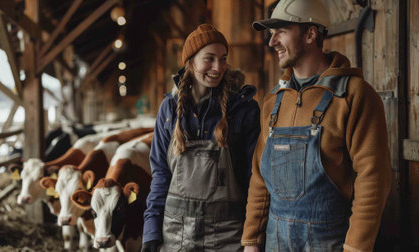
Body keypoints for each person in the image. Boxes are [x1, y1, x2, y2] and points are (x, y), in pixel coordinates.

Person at [241, 0, 392, 251]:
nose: (272, 42)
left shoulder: (354, 96)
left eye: (281, 31)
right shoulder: (272, 102)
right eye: (271, 34)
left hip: (329, 242)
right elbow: (260, 178)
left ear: (310, 34)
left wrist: (355, 247)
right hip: (274, 242)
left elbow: (373, 178)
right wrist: (251, 240)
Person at [142, 24, 261, 251]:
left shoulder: (243, 109)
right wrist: (151, 233)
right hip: (176, 239)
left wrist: (253, 239)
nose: (218, 67)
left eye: (223, 58)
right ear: (191, 61)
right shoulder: (169, 109)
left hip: (229, 238)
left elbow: (255, 179)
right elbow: (160, 175)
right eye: (209, 58)